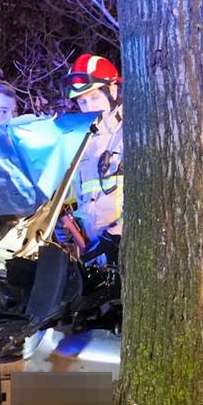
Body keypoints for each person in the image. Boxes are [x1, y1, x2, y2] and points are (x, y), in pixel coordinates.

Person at [62, 53, 123, 263]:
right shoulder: (82, 143)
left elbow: (154, 195)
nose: (89, 108)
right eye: (82, 102)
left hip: (131, 249)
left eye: (95, 97)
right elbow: (74, 194)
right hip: (96, 255)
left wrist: (118, 234)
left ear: (112, 90)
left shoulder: (132, 133)